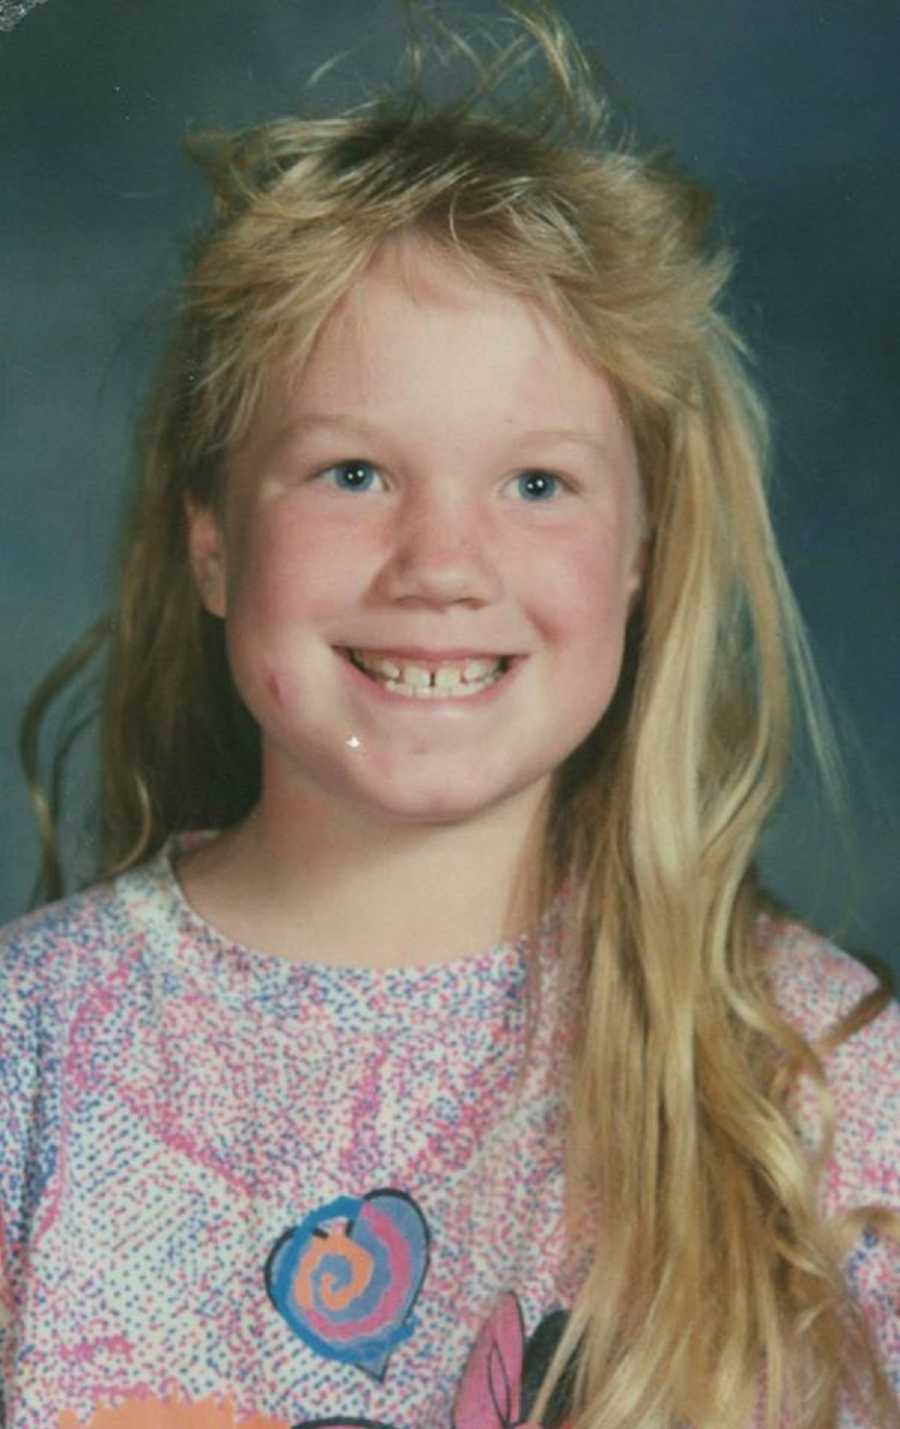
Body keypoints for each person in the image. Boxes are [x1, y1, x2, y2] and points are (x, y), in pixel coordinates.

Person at [2, 4, 898, 1427]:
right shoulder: (31, 1049)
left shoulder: (818, 1075)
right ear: (212, 540)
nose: (439, 565)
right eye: (353, 471)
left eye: (536, 483)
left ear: (643, 552)